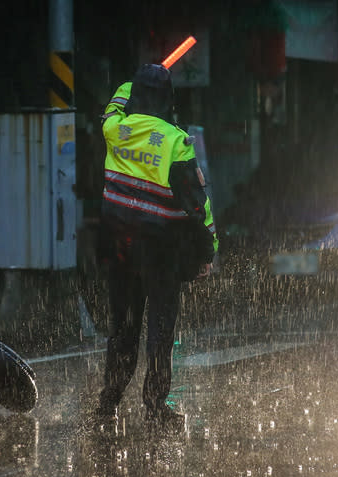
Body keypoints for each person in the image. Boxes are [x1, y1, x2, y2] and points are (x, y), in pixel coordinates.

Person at [95, 64, 218, 431]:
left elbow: (112, 106)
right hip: (160, 252)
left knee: (123, 328)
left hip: (119, 248)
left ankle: (108, 403)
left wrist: (126, 85)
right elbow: (197, 206)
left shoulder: (115, 129)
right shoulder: (174, 142)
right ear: (168, 98)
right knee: (160, 331)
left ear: (135, 95)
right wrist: (207, 250)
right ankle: (155, 405)